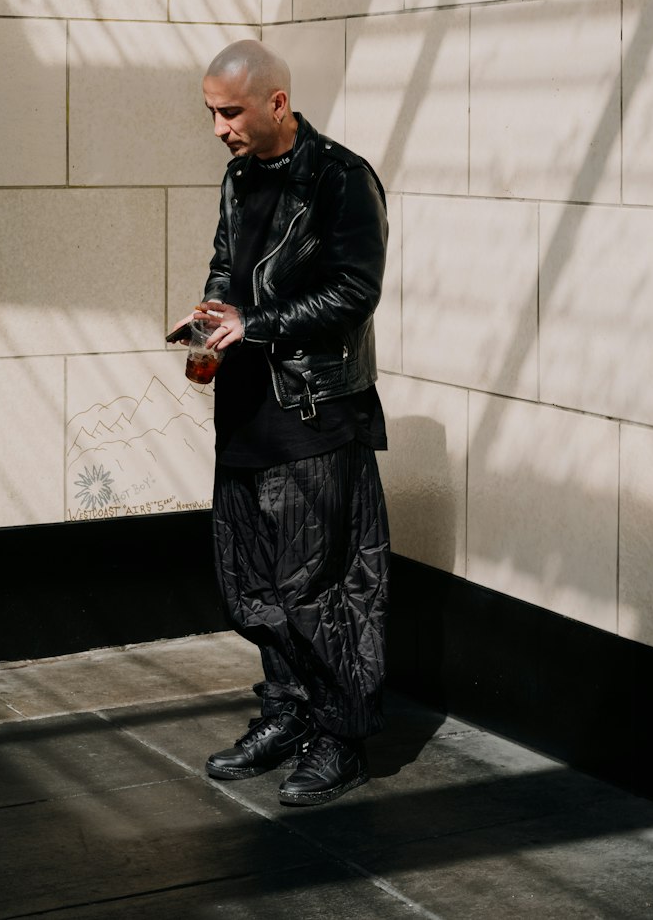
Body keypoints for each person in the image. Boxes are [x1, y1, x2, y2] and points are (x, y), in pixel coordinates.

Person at [170, 39, 390, 807]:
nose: (219, 128)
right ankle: (290, 713)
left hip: (316, 411)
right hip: (248, 411)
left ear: (275, 102)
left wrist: (254, 324)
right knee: (251, 586)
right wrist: (204, 334)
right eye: (211, 113)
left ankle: (342, 737)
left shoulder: (342, 178)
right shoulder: (237, 179)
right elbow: (226, 271)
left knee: (314, 589)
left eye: (229, 112)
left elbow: (354, 292)